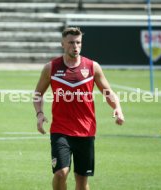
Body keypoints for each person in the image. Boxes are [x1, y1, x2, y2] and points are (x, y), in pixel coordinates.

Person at [33, 27, 124, 190]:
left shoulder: (92, 67)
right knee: (61, 173)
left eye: (78, 42)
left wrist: (117, 108)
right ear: (62, 44)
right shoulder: (51, 67)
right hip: (61, 129)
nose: (75, 46)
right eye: (70, 43)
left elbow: (108, 92)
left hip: (86, 130)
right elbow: (38, 94)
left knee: (82, 181)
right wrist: (39, 114)